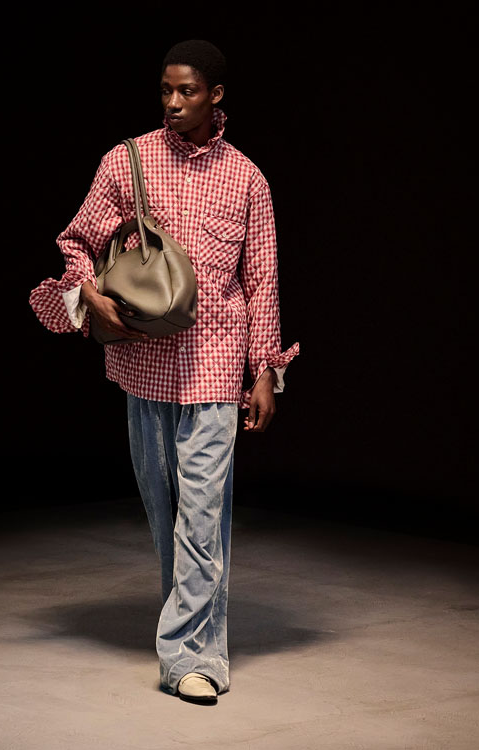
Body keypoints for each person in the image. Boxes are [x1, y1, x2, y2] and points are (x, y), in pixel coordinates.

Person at [29, 39, 300, 704]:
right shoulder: (127, 160)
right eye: (165, 90)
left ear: (216, 96)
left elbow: (261, 282)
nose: (173, 102)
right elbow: (76, 241)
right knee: (166, 513)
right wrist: (88, 293)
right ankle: (187, 629)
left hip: (215, 364)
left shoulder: (248, 179)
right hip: (142, 364)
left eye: (187, 91)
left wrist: (265, 372)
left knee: (203, 516)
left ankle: (191, 658)